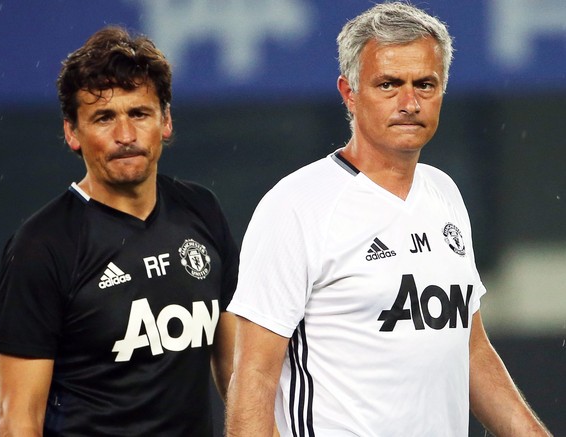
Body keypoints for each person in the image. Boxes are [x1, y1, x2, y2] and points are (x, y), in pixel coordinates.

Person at [225, 2, 551, 436]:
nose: (410, 102)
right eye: (389, 84)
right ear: (349, 92)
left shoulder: (445, 195)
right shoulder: (296, 205)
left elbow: (469, 351)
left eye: (426, 84)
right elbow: (254, 376)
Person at [0, 26, 238, 436]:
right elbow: (18, 417)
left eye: (139, 113)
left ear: (166, 120)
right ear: (72, 132)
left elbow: (237, 371)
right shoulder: (41, 246)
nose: (125, 136)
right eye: (104, 118)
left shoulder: (201, 209)